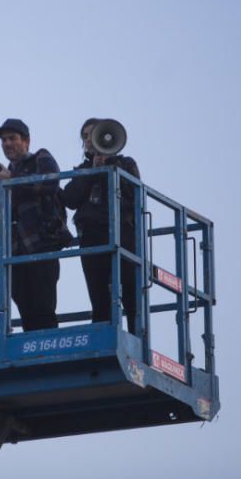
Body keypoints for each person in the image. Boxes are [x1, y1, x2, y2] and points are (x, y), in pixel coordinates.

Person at [0, 118, 69, 332]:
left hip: (42, 247)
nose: (7, 143)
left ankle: (47, 352)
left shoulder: (40, 157)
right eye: (3, 140)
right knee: (26, 312)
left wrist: (11, 178)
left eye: (12, 138)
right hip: (13, 253)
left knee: (44, 309)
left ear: (26, 141)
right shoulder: (1, 175)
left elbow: (50, 181)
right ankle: (33, 356)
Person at [63, 118, 142, 332]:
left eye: (93, 134)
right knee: (99, 296)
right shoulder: (82, 170)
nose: (90, 140)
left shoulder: (125, 164)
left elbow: (135, 195)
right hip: (91, 237)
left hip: (122, 234)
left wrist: (110, 168)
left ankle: (137, 339)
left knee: (131, 294)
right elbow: (69, 199)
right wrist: (92, 173)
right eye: (86, 137)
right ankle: (102, 334)